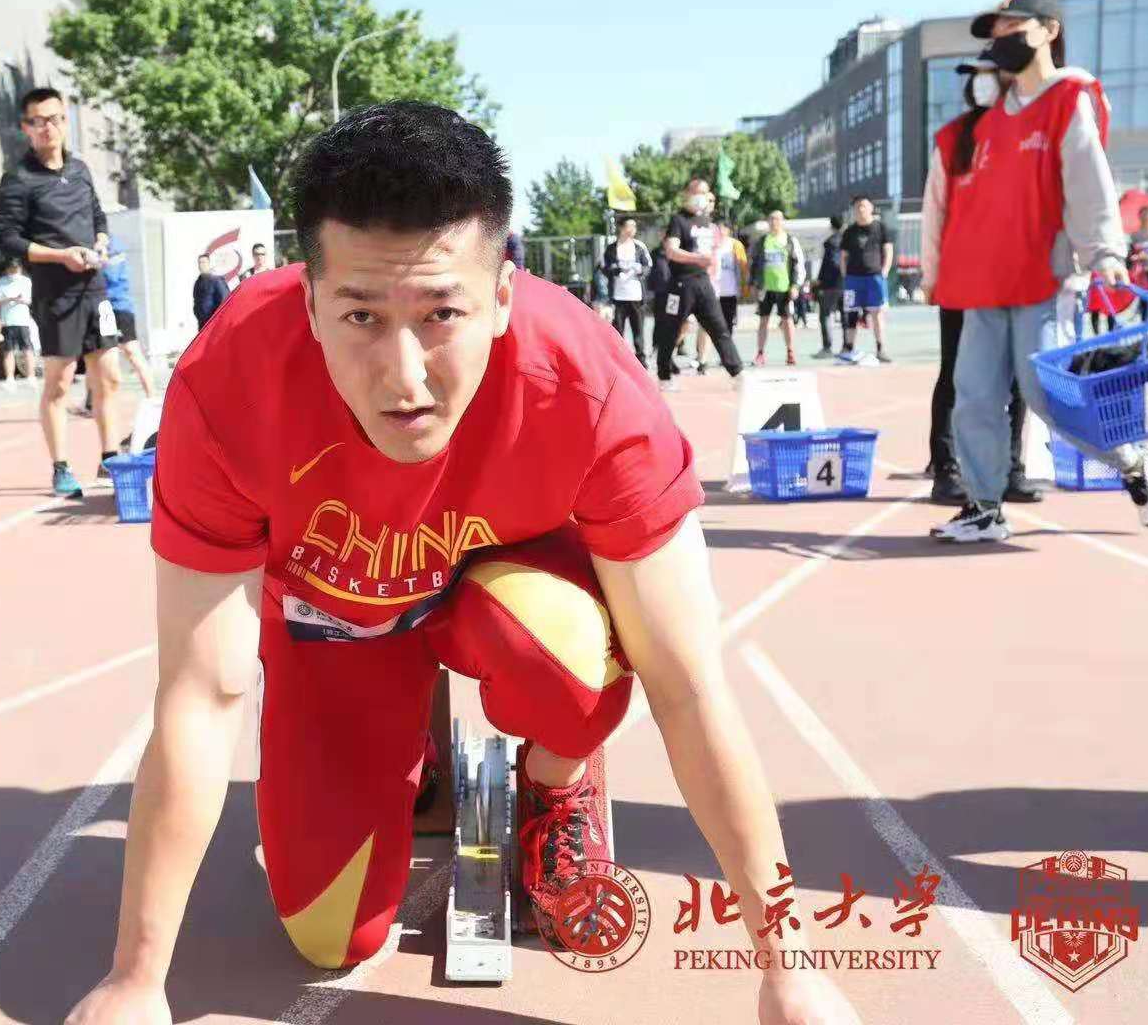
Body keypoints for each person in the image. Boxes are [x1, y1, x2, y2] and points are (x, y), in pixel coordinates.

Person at [65, 102, 860, 1025]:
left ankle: (556, 781)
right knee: (330, 938)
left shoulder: (592, 388)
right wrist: (135, 980)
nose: (404, 376)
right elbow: (204, 692)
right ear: (308, 299)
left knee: (570, 651)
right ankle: (411, 749)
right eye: (360, 315)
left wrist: (791, 968)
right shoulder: (227, 385)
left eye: (442, 313)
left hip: (502, 591)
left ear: (505, 295)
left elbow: (687, 685)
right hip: (340, 615)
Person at [930, 0, 1148, 543]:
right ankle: (984, 508)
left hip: (1045, 279)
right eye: (996, 29)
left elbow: (1088, 178)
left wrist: (1105, 251)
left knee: (1048, 397)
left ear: (1049, 30)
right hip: (986, 283)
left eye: (1013, 25)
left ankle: (1136, 462)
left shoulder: (1067, 99)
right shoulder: (988, 125)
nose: (1001, 36)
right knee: (974, 397)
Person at [921, 52, 1040, 507]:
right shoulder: (953, 139)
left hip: (1016, 276)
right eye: (974, 77)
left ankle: (1010, 467)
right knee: (955, 374)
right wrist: (931, 273)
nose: (981, 83)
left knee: (1019, 379)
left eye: (990, 74)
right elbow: (934, 209)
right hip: (961, 278)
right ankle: (946, 469)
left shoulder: (1026, 132)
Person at [0, 85, 111, 497]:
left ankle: (110, 458)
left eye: (56, 118)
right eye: (39, 121)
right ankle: (61, 467)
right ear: (26, 127)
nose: (49, 127)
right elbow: (8, 240)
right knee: (60, 384)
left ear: (66, 121)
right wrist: (60, 256)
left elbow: (98, 216)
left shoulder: (80, 169)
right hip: (55, 294)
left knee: (109, 377)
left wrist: (100, 242)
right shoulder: (18, 180)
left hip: (94, 288)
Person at [654, 179, 744, 392]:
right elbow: (671, 251)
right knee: (671, 330)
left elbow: (713, 251)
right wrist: (697, 258)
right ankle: (664, 376)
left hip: (703, 284)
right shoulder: (679, 220)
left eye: (705, 193)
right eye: (698, 192)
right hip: (681, 285)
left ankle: (737, 372)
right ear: (688, 193)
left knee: (719, 328)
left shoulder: (706, 222)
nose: (702, 197)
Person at [80, 236, 157, 442]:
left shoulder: (111, 247)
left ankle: (153, 398)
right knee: (96, 355)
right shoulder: (94, 246)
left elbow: (110, 274)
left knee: (132, 351)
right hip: (103, 308)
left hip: (119, 307)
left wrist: (96, 263)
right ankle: (90, 402)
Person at [836, 197, 893, 364]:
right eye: (857, 206)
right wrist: (845, 275)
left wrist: (884, 271)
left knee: (877, 313)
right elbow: (843, 256)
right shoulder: (849, 231)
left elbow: (888, 250)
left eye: (863, 206)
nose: (860, 209)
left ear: (871, 207)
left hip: (874, 278)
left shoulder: (880, 227)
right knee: (851, 314)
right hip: (853, 279)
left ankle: (880, 348)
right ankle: (848, 348)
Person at [750, 211, 805, 367]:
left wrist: (795, 285)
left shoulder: (790, 240)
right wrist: (753, 283)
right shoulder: (763, 241)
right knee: (763, 320)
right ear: (768, 221)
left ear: (782, 221)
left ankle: (790, 352)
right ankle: (760, 353)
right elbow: (754, 264)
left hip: (784, 287)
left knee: (787, 320)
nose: (774, 222)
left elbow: (798, 264)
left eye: (777, 219)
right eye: (772, 219)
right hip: (766, 288)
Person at [696, 221, 749, 373]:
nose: (720, 231)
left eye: (723, 228)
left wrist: (744, 287)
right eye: (718, 228)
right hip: (711, 291)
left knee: (727, 325)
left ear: (729, 230)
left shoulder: (735, 245)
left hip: (729, 290)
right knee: (706, 325)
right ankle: (702, 358)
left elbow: (743, 267)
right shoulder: (709, 244)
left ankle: (726, 356)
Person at [600, 215, 652, 366]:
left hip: (636, 295)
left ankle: (641, 359)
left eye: (634, 227)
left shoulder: (639, 246)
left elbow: (648, 265)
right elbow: (604, 267)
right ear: (621, 228)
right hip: (618, 296)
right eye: (629, 226)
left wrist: (639, 270)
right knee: (618, 330)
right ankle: (619, 359)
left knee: (638, 329)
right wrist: (617, 270)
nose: (632, 230)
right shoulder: (611, 248)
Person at [0, 257, 36, 389]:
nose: (14, 271)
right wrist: (9, 299)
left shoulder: (26, 281)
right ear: (7, 269)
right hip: (7, 320)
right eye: (11, 268)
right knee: (8, 350)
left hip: (23, 320)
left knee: (27, 348)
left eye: (16, 268)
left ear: (20, 268)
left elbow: (30, 300)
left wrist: (20, 300)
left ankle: (31, 376)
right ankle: (10, 378)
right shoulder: (0, 282)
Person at [814, 214, 845, 358]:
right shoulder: (848, 240)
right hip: (847, 282)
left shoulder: (830, 242)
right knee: (846, 315)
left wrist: (820, 280)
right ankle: (847, 346)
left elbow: (828, 263)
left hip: (830, 284)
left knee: (825, 315)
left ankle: (827, 347)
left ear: (831, 226)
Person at [192, 254, 231, 329]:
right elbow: (196, 301)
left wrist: (217, 321)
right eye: (199, 263)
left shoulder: (217, 281)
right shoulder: (197, 283)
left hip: (215, 325)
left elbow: (225, 302)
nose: (201, 265)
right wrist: (197, 313)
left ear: (209, 264)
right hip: (202, 324)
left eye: (204, 262)